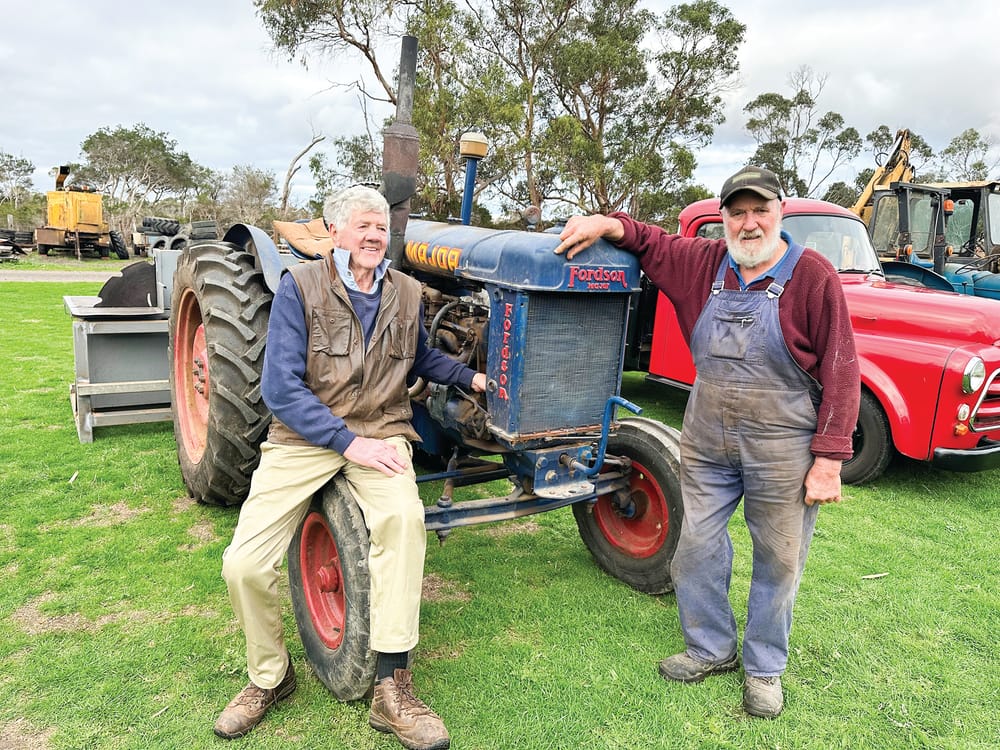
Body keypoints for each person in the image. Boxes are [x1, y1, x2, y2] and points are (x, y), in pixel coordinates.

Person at [554, 166, 859, 718]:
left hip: (782, 444)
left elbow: (842, 368)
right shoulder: (702, 264)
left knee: (779, 558)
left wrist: (829, 458)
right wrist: (607, 223)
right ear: (723, 219)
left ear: (780, 212)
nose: (749, 223)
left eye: (759, 210)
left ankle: (764, 668)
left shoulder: (813, 275)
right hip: (707, 438)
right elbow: (649, 242)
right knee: (695, 545)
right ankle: (711, 646)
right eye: (737, 213)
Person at [213, 185, 486, 750]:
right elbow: (280, 387)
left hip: (381, 431)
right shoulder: (300, 287)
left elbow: (418, 357)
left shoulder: (406, 291)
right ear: (334, 231)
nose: (374, 236)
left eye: (381, 227)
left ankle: (391, 687)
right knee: (243, 563)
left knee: (403, 523)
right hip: (305, 437)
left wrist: (471, 377)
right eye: (362, 225)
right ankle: (270, 676)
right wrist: (345, 442)